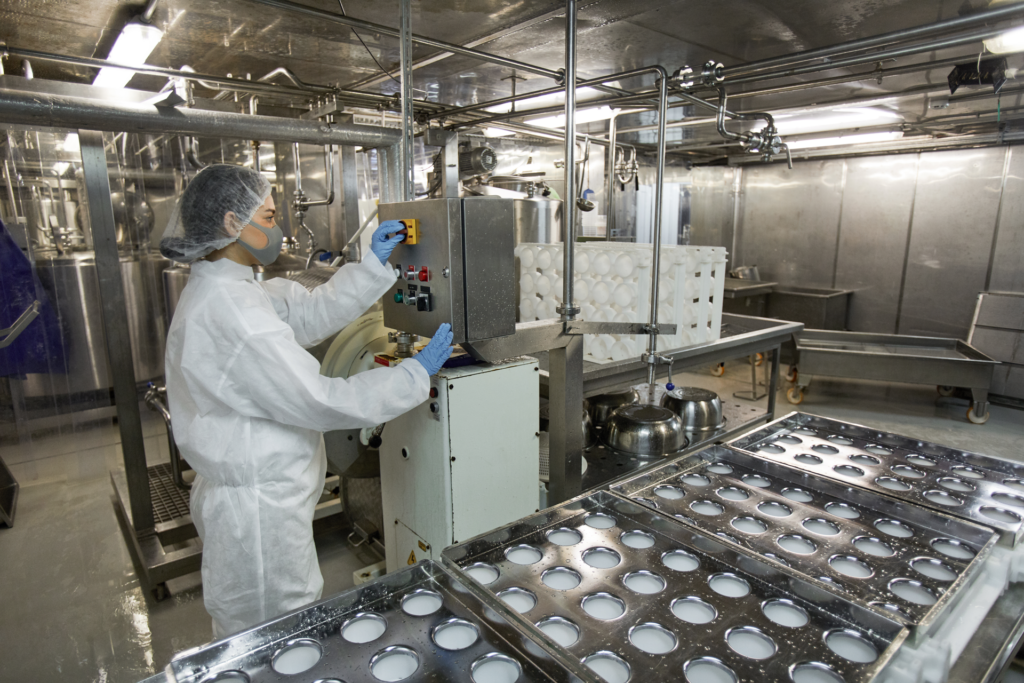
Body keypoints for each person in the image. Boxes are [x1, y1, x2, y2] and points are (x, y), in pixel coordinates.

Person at [160, 164, 453, 639]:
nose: (280, 230)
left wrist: (373, 266)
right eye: (271, 216)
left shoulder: (230, 287)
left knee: (266, 634)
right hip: (259, 517)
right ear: (233, 223)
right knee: (276, 635)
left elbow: (306, 313)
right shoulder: (234, 314)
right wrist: (412, 376)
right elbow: (320, 400)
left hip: (259, 498)